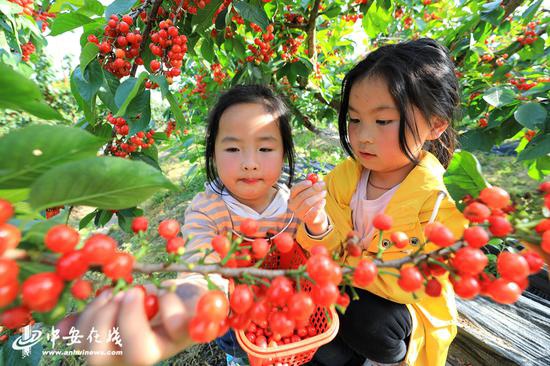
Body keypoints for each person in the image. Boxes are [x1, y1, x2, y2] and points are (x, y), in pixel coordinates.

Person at [63, 84, 299, 366]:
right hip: (233, 316)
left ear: (284, 153)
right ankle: (234, 357)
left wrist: (318, 224)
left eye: (264, 147)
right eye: (233, 148)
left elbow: (317, 247)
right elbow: (199, 260)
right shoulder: (207, 209)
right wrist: (191, 299)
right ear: (212, 153)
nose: (249, 163)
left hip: (282, 306)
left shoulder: (296, 202)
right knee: (236, 348)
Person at [289, 38, 468, 366]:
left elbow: (410, 285)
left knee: (370, 323)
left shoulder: (440, 198)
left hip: (400, 312)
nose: (363, 136)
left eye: (383, 121)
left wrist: (339, 269)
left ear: (436, 124)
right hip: (347, 292)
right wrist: (316, 226)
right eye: (355, 120)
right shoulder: (345, 177)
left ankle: (387, 359)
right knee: (319, 336)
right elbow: (319, 252)